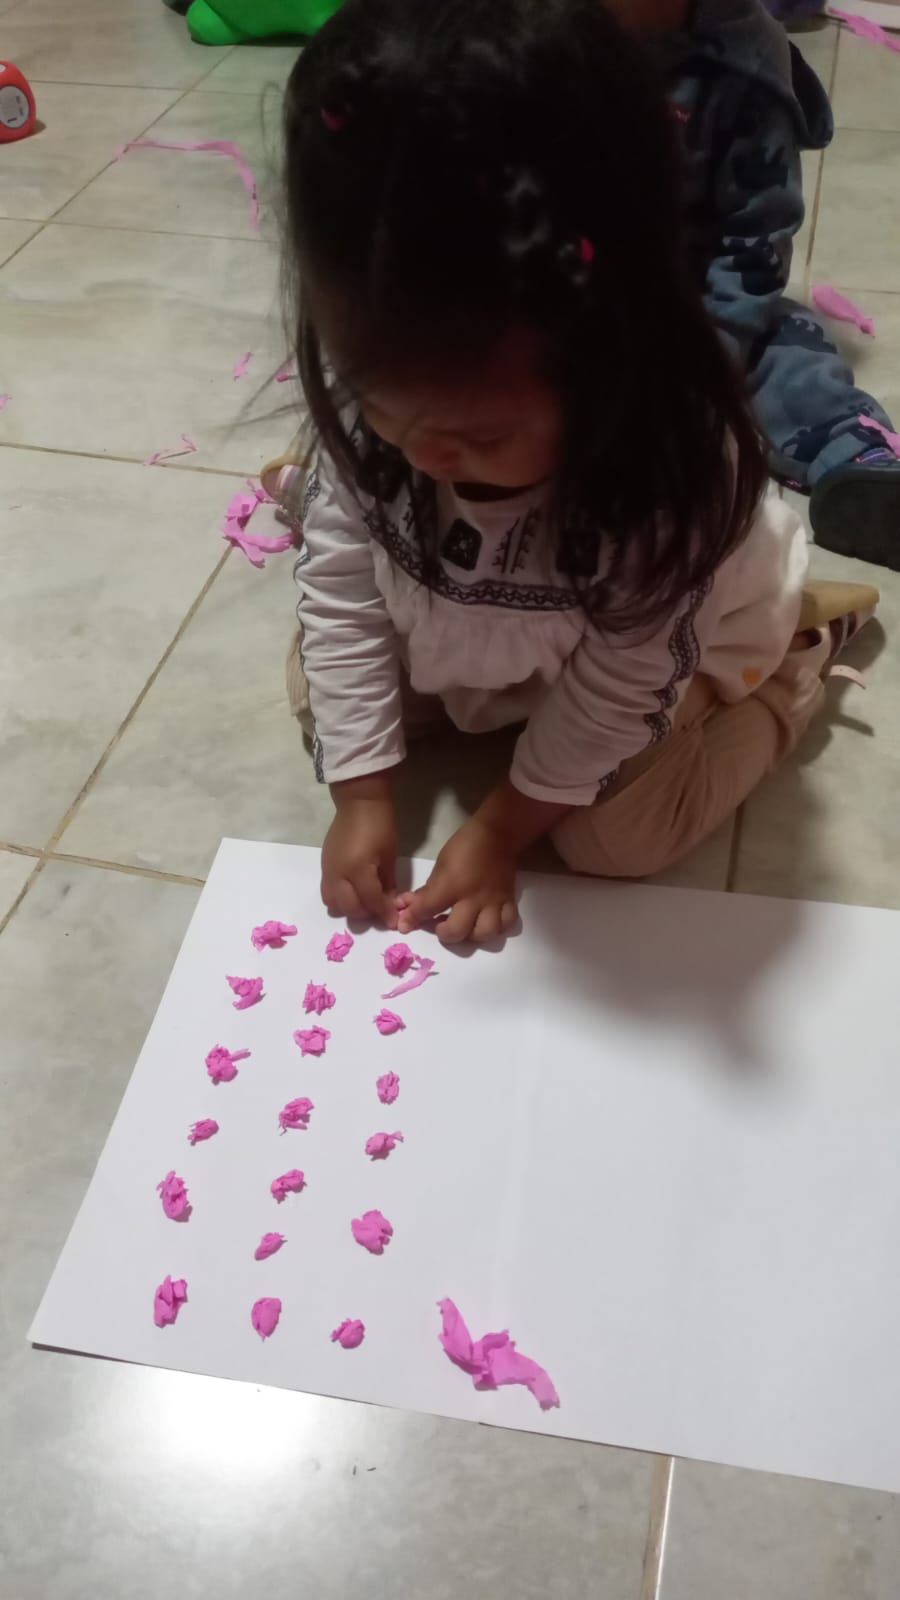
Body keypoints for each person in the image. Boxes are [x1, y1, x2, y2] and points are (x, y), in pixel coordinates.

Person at [274, 0, 877, 943]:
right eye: (380, 402)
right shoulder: (381, 403)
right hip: (482, 626)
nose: (422, 453)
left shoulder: (672, 475)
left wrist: (500, 828)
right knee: (324, 690)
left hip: (651, 642)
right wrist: (361, 795)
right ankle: (341, 530)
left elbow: (619, 686)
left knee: (618, 839)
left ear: (613, 355)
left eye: (478, 434)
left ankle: (796, 655)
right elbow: (347, 598)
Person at [604, 0, 900, 568]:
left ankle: (857, 459)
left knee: (787, 349)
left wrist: (711, 355)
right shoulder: (532, 38)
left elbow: (755, 239)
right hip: (565, 290)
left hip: (701, 293)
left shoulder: (746, 62)